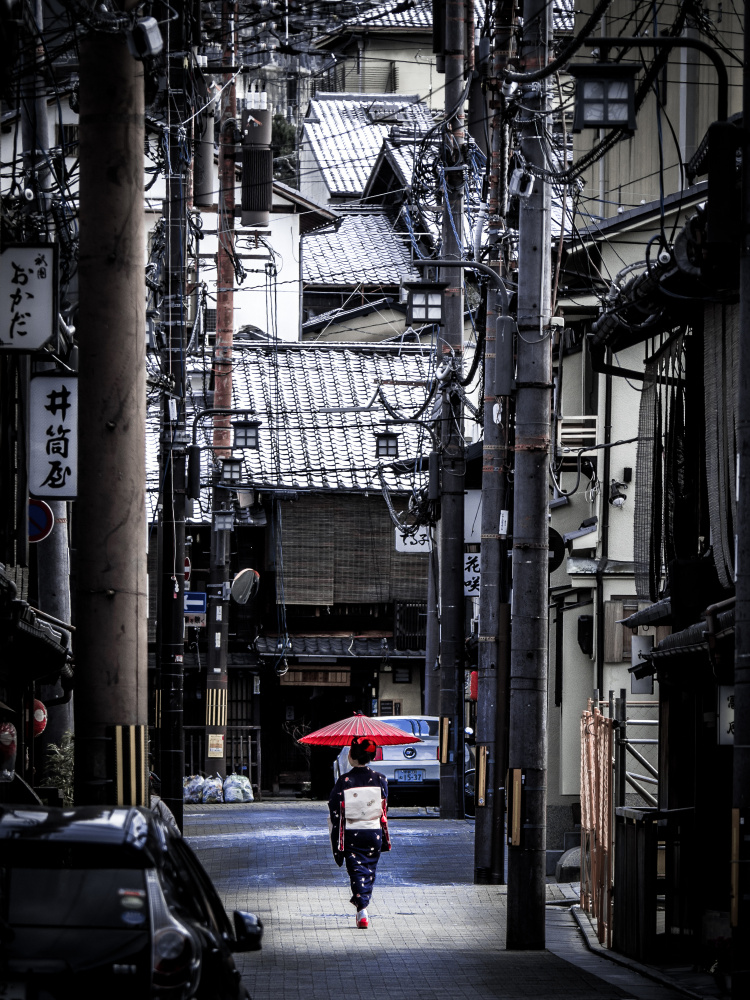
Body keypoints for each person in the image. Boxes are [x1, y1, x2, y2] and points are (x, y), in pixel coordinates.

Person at [328, 736, 390, 929]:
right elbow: (384, 806)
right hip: (373, 832)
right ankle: (363, 906)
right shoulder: (380, 779)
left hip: (352, 831)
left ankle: (362, 910)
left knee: (356, 871)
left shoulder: (345, 780)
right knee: (369, 870)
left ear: (351, 757)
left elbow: (334, 807)